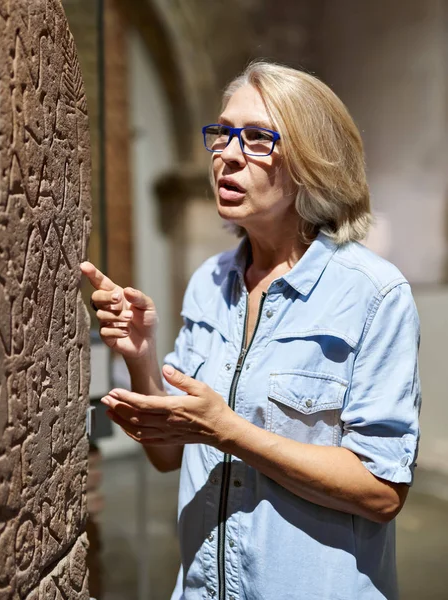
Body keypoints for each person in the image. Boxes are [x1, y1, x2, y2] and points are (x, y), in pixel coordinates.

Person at [81, 61, 421, 600]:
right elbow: (168, 456)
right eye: (222, 133)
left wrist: (230, 431)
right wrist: (141, 358)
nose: (228, 155)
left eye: (259, 138)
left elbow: (381, 491)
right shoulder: (210, 282)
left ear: (311, 161)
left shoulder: (373, 293)